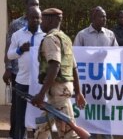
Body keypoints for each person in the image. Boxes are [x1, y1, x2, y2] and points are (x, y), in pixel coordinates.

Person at [31, 8, 87, 139]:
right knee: (42, 130)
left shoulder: (51, 39)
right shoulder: (65, 38)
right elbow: (74, 67)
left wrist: (41, 94)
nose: (40, 23)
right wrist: (78, 92)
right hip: (59, 91)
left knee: (69, 134)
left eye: (43, 20)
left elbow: (55, 66)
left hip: (58, 92)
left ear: (50, 20)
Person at [73, 6, 117, 139]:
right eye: (101, 16)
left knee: (105, 111)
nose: (104, 19)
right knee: (88, 111)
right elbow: (75, 57)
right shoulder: (82, 35)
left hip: (104, 80)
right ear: (93, 18)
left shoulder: (110, 34)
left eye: (105, 16)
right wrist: (91, 56)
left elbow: (116, 54)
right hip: (87, 82)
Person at [2, 0, 39, 138]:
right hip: (18, 73)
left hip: (36, 77)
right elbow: (8, 48)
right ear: (26, 6)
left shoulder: (42, 26)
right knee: (18, 109)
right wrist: (8, 68)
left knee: (36, 109)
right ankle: (16, 134)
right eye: (32, 4)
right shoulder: (16, 25)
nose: (35, 6)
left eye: (37, 4)